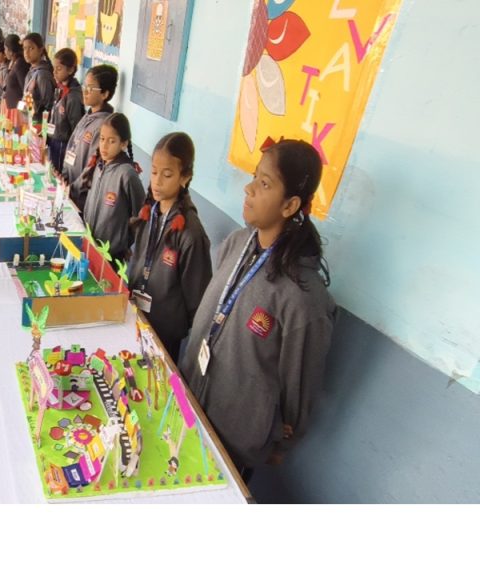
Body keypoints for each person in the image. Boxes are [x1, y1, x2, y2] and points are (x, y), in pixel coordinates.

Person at [179, 139, 336, 475]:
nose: (248, 189)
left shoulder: (303, 298)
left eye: (264, 184)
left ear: (290, 205)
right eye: (254, 177)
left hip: (233, 440)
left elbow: (299, 386)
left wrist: (280, 442)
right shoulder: (237, 243)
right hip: (188, 403)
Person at [126, 132, 212, 361]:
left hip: (164, 335)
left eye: (167, 175)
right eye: (154, 172)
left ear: (185, 177)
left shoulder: (191, 234)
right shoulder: (149, 212)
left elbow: (197, 301)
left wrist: (176, 326)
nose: (157, 181)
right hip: (135, 315)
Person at [80, 112, 144, 264]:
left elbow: (141, 216)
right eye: (102, 139)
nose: (104, 145)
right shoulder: (99, 165)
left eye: (111, 141)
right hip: (89, 245)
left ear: (123, 144)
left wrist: (125, 242)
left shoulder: (127, 174)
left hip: (112, 256)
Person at [64, 64, 117, 215]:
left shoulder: (103, 126)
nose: (85, 91)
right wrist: (64, 174)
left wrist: (73, 188)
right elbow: (71, 145)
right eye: (85, 86)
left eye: (91, 88)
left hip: (81, 196)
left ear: (104, 94)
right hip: (69, 187)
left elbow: (92, 167)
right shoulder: (88, 116)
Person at [47, 48, 83, 175]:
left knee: (58, 176)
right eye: (54, 68)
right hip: (53, 139)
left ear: (71, 70)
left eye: (59, 68)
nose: (54, 72)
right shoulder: (60, 88)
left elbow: (76, 128)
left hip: (63, 144)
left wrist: (71, 151)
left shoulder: (73, 96)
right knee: (51, 172)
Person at [21, 33, 56, 126]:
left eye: (31, 48)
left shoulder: (42, 75)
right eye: (24, 48)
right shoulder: (31, 71)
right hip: (30, 121)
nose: (26, 52)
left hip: (38, 124)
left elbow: (47, 106)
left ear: (40, 50)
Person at [1, 34, 29, 113]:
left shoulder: (20, 64)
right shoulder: (14, 62)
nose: (4, 52)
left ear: (10, 51)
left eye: (5, 49)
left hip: (16, 110)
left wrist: (20, 110)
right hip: (11, 108)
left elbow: (24, 90)